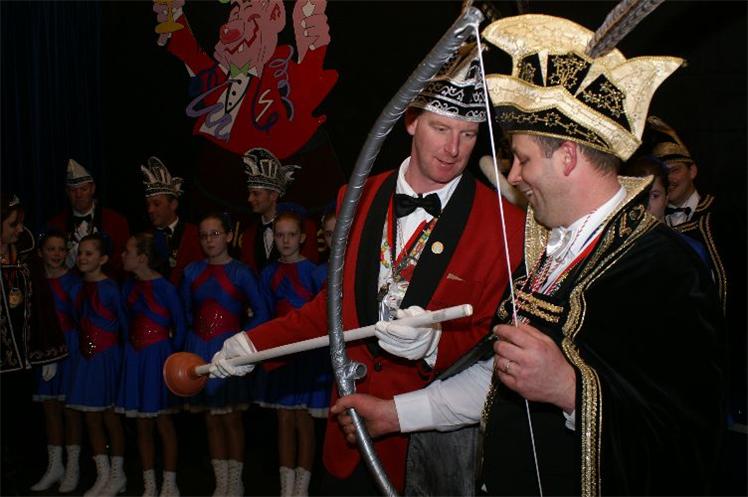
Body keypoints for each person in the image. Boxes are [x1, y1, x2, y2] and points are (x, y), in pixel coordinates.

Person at [332, 14, 726, 496]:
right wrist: (396, 413)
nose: (514, 176)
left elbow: (690, 439)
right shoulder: (548, 246)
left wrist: (569, 390)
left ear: (567, 157)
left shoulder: (664, 268)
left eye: (522, 159)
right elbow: (501, 376)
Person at [211, 45, 526, 493]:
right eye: (440, 128)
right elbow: (333, 310)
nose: (453, 149)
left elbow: (497, 345)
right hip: (347, 436)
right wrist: (253, 344)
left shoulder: (505, 225)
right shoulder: (356, 196)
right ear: (411, 121)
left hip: (427, 454)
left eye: (468, 134)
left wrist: (436, 344)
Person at [151, 0, 337, 158]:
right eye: (235, 14)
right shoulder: (218, 76)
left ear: (275, 15)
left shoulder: (279, 77)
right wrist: (173, 16)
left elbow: (306, 90)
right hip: (208, 166)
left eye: (249, 14)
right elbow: (190, 51)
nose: (232, 26)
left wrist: (313, 47)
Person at [180, 212, 270, 496]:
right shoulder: (191, 272)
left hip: (229, 351)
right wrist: (189, 345)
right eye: (204, 235)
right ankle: (221, 483)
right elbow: (186, 314)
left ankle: (236, 481)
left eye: (215, 234)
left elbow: (262, 313)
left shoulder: (241, 272)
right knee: (211, 419)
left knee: (231, 419)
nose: (209, 240)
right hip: (200, 349)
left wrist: (239, 340)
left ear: (229, 236)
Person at [251, 211, 329, 496]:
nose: (285, 241)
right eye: (280, 235)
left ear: (303, 238)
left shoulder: (314, 272)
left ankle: (302, 488)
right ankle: (286, 489)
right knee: (284, 419)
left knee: (303, 421)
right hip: (279, 352)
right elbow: (264, 313)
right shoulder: (268, 273)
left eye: (291, 235)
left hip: (306, 353)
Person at [117, 233, 186, 497]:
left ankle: (169, 482)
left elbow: (180, 326)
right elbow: (125, 321)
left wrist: (171, 360)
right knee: (142, 424)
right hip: (135, 357)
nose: (123, 255)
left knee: (163, 422)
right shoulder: (128, 286)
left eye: (128, 251)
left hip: (158, 357)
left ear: (143, 258)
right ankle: (149, 484)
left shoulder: (166, 288)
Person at [645, 115, 728, 312]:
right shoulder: (652, 223)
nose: (669, 179)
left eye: (675, 170)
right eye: (664, 175)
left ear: (692, 171)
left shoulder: (723, 216)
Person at [67, 234, 128, 496]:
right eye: (80, 252)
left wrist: (122, 360)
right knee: (91, 417)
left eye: (89, 253)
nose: (82, 258)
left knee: (109, 416)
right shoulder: (76, 288)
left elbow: (124, 325)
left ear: (103, 259)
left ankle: (118, 474)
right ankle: (103, 475)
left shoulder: (111, 289)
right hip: (85, 359)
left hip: (107, 357)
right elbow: (77, 321)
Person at [30, 230, 84, 493]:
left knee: (69, 408)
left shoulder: (74, 282)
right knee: (50, 408)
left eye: (61, 249)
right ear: (40, 252)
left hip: (70, 347)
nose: (56, 254)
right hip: (45, 349)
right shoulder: (34, 281)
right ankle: (55, 466)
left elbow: (85, 320)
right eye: (51, 249)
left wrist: (89, 351)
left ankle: (73, 467)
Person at [239, 147, 319, 272]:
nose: (249, 199)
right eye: (249, 193)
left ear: (273, 195)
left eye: (256, 194)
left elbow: (310, 272)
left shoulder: (305, 227)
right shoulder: (249, 235)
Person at [47, 158, 130, 278]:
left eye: (83, 189)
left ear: (93, 189)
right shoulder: (55, 225)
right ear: (67, 192)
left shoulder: (116, 222)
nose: (78, 195)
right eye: (73, 190)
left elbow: (123, 263)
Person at [141, 156, 203, 287]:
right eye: (148, 205)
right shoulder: (144, 238)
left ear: (173, 205)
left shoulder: (194, 234)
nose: (150, 210)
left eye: (156, 204)